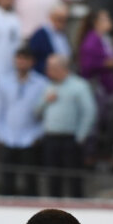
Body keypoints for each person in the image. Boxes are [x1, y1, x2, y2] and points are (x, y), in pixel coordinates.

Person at [0, 47, 49, 197]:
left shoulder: (41, 83)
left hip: (30, 137)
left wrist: (37, 135)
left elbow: (45, 113)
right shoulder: (4, 82)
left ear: (31, 62)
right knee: (7, 180)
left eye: (25, 60)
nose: (21, 63)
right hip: (8, 137)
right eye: (19, 59)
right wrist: (0, 135)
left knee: (30, 179)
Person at [38, 54, 97, 198]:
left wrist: (80, 137)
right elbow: (36, 111)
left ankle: (77, 212)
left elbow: (90, 112)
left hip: (70, 139)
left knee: (74, 179)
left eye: (50, 67)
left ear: (61, 68)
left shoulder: (79, 86)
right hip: (51, 138)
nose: (47, 71)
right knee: (53, 179)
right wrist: (46, 101)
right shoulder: (48, 86)